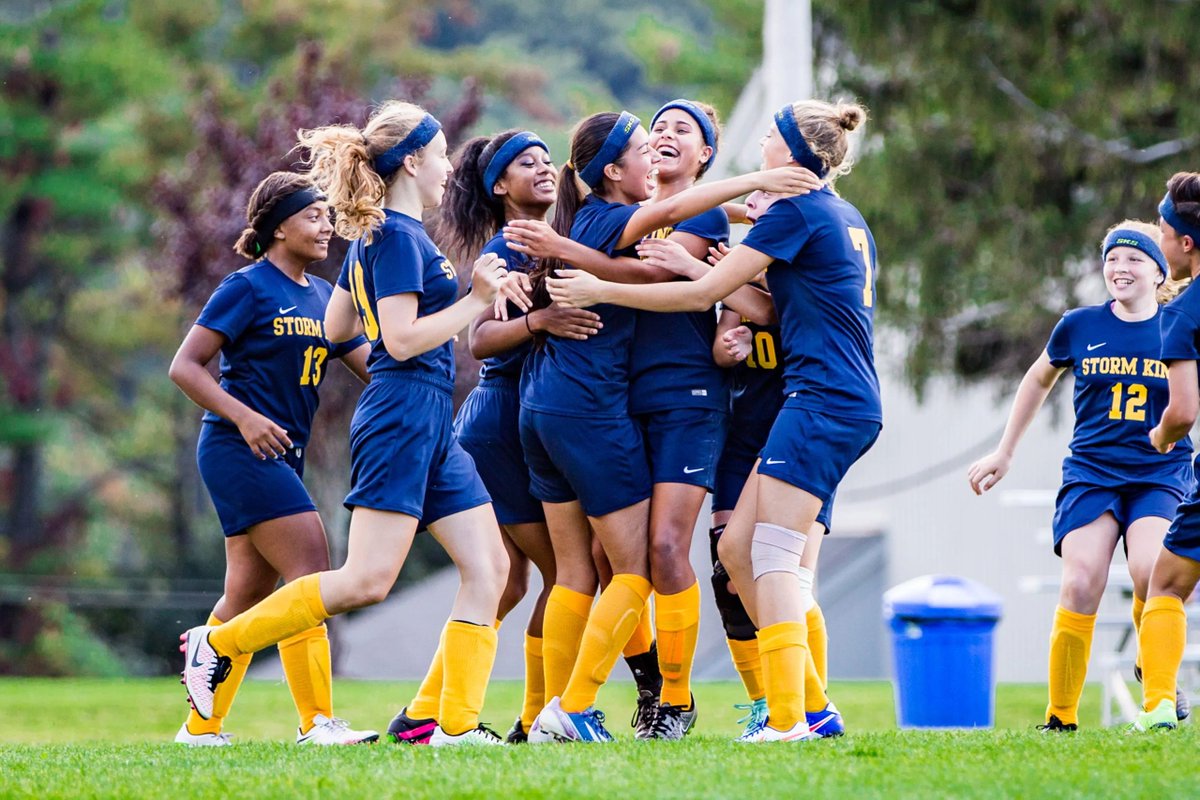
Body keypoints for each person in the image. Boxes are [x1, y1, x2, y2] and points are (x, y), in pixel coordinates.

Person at [179, 101, 514, 747]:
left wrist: (403, 352)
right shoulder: (391, 236)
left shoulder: (380, 238)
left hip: (427, 418)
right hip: (404, 414)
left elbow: (336, 330)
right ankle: (219, 645)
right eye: (442, 154)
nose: (449, 168)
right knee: (364, 581)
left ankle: (454, 726)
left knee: (488, 567)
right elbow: (405, 338)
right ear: (413, 161)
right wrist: (474, 300)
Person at [545, 99, 878, 743]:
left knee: (774, 558)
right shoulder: (840, 213)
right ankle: (812, 708)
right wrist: (701, 271)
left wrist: (603, 288)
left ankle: (787, 718)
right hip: (826, 398)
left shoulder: (796, 210)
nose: (759, 151)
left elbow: (704, 294)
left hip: (821, 400)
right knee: (733, 551)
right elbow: (754, 298)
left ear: (793, 154)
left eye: (769, 142)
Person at [168, 172, 376, 747]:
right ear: (278, 227)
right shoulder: (247, 287)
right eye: (314, 217)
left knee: (247, 594)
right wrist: (244, 416)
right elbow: (185, 366)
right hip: (238, 448)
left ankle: (200, 728)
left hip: (286, 456)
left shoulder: (322, 294)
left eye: (328, 217)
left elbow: (373, 365)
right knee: (310, 565)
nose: (326, 226)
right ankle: (317, 724)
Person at [969, 219, 1192, 731]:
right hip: (1093, 473)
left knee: (1151, 573)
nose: (1121, 267)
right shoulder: (1080, 325)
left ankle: (1158, 698)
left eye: (1135, 258)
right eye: (1113, 258)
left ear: (1159, 271)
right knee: (1081, 582)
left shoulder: (1180, 324)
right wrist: (1005, 451)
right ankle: (1060, 718)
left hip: (1161, 472)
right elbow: (1036, 379)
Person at [431, 129, 601, 743]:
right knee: (564, 575)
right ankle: (538, 717)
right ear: (499, 185)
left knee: (507, 582)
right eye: (526, 164)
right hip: (499, 420)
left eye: (547, 160)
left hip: (513, 419)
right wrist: (542, 320)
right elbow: (477, 340)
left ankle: (428, 713)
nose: (544, 169)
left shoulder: (544, 237)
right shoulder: (504, 247)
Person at [701, 190, 840, 739]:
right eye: (751, 198)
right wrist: (726, 347)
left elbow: (780, 314)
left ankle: (811, 703)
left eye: (767, 198)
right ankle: (772, 703)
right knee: (730, 572)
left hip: (804, 433)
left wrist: (722, 278)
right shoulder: (736, 271)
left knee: (789, 575)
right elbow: (722, 338)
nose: (756, 206)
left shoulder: (804, 273)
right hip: (744, 442)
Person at [1133, 172, 1200, 732]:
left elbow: (1181, 413)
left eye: (1161, 233)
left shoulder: (1183, 312)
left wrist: (1160, 437)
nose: (1156, 245)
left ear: (1185, 243)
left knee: (1167, 585)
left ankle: (1157, 708)